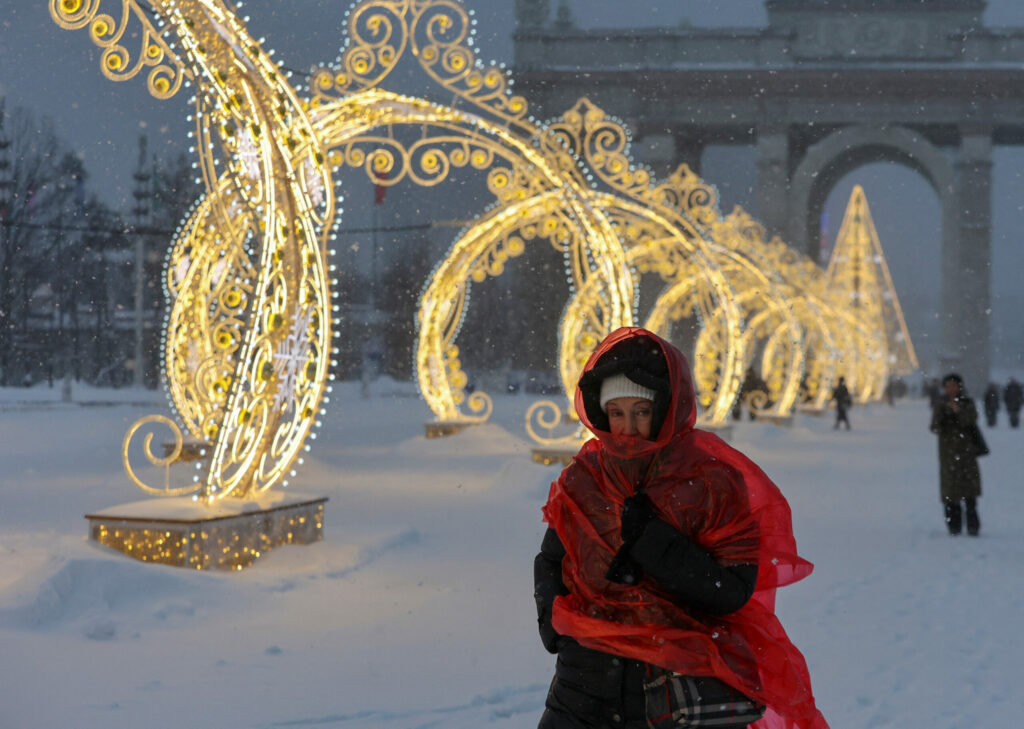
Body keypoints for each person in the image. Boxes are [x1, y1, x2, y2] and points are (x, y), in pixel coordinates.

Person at [534, 327, 828, 729]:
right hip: (583, 685)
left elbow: (732, 590)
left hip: (676, 689)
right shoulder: (584, 478)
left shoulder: (709, 481)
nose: (628, 428)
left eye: (641, 412)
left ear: (666, 408)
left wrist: (653, 541)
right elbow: (553, 558)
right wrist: (552, 624)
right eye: (616, 413)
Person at [929, 373, 982, 536]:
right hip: (948, 455)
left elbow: (971, 419)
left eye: (954, 385)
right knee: (951, 494)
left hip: (966, 454)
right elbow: (935, 427)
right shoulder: (941, 404)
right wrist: (946, 413)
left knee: (970, 493)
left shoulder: (967, 403)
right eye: (948, 386)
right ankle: (954, 526)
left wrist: (958, 411)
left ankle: (973, 526)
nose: (951, 389)